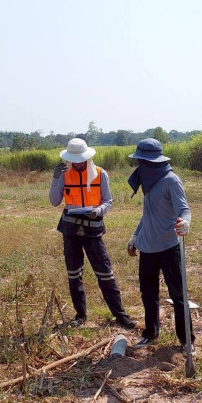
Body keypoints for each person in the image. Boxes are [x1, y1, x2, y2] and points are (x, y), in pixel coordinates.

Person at [49, 138, 137, 330]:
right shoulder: (63, 175)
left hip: (93, 229)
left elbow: (107, 200)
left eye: (80, 159)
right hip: (70, 230)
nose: (78, 163)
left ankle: (120, 315)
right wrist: (54, 179)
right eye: (74, 160)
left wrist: (98, 211)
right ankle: (80, 315)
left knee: (105, 273)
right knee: (74, 274)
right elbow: (54, 201)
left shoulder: (100, 173)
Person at [125, 138, 194, 354]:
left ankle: (186, 340)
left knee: (178, 295)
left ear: (154, 162)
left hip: (168, 246)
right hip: (147, 247)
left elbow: (184, 210)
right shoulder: (147, 181)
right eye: (139, 161)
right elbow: (148, 214)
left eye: (143, 161)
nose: (140, 165)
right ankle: (150, 332)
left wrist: (185, 223)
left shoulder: (171, 180)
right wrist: (135, 236)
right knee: (148, 294)